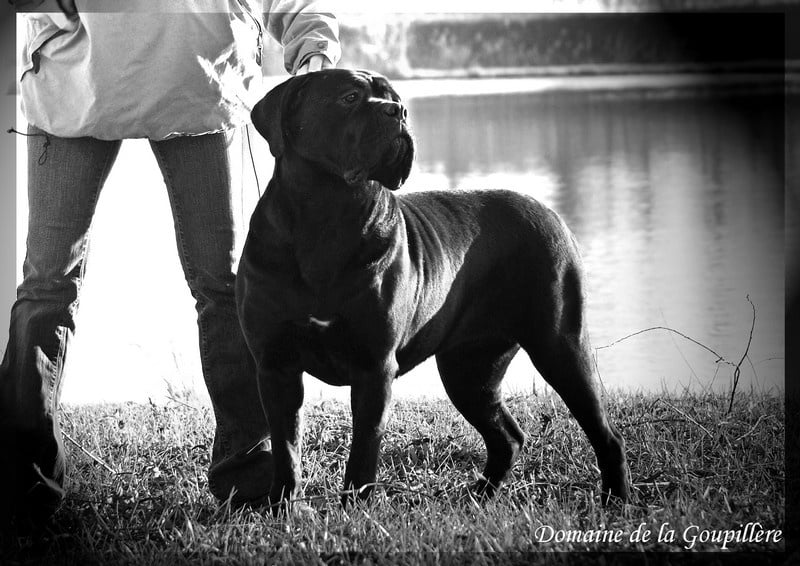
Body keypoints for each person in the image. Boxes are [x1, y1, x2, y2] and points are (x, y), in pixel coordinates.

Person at [1, 0, 340, 528]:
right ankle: (23, 483)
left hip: (198, 86)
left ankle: (251, 478)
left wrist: (315, 53)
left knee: (223, 288)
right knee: (48, 288)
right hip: (77, 86)